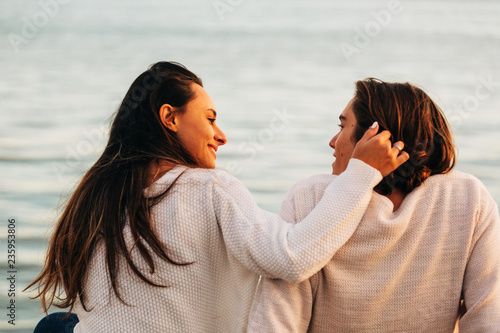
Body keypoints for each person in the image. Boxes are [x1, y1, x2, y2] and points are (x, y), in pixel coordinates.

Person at [26, 63, 408, 333]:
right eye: (209, 119)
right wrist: (362, 173)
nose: (221, 135)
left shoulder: (98, 193)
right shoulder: (210, 188)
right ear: (170, 118)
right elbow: (292, 257)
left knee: (55, 323)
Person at [248, 78, 500, 332]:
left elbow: (276, 323)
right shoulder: (467, 198)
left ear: (375, 139)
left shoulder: (311, 197)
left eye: (342, 126)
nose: (333, 141)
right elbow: (488, 319)